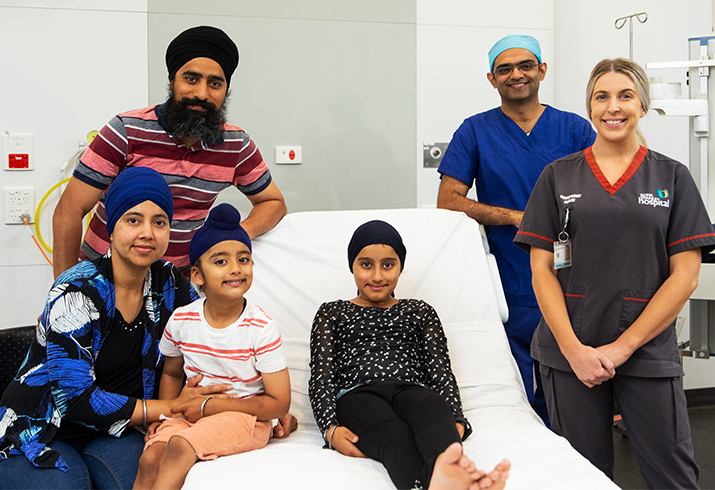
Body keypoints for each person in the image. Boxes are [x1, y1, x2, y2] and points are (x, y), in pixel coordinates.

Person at [514, 58, 715, 488]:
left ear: (643, 105)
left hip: (645, 350)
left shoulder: (671, 177)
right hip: (571, 353)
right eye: (601, 96)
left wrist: (624, 347)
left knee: (673, 474)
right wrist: (573, 349)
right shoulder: (557, 176)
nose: (613, 107)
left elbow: (685, 275)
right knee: (582, 478)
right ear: (590, 107)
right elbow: (542, 269)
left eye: (625, 95)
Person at [0, 167, 234, 490]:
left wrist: (255, 409)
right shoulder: (76, 290)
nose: (147, 233)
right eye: (133, 220)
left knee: (153, 477)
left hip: (120, 428)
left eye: (159, 222)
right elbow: (75, 399)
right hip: (45, 427)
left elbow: (211, 349)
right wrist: (165, 409)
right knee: (67, 485)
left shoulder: (172, 286)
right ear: (111, 228)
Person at [437, 34, 596, 424]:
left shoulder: (574, 130)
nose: (516, 75)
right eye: (504, 69)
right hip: (511, 271)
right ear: (492, 79)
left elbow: (605, 189)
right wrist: (516, 218)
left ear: (541, 70)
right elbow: (449, 200)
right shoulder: (474, 132)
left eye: (525, 65)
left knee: (574, 378)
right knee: (516, 380)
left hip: (575, 270)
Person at [52, 25, 287, 280]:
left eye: (215, 83)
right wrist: (63, 289)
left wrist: (236, 233)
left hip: (174, 285)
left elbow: (273, 203)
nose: (201, 93)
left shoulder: (236, 145)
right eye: (191, 79)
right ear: (172, 80)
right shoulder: (126, 131)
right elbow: (70, 209)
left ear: (226, 91)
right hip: (103, 276)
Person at [308, 220, 510, 490]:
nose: (378, 276)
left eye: (388, 265)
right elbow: (321, 378)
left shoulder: (420, 311)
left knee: (434, 409)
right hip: (358, 395)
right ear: (352, 266)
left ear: (401, 267)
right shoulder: (332, 313)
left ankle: (451, 476)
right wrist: (330, 429)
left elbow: (440, 372)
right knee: (395, 435)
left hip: (412, 390)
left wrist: (456, 419)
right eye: (366, 265)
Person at [133, 203, 291, 490]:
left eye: (244, 259)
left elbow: (280, 402)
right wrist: (168, 413)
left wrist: (208, 406)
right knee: (150, 457)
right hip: (189, 414)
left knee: (180, 446)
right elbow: (172, 373)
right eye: (221, 262)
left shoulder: (260, 328)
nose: (235, 268)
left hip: (242, 417)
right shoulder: (182, 320)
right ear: (197, 275)